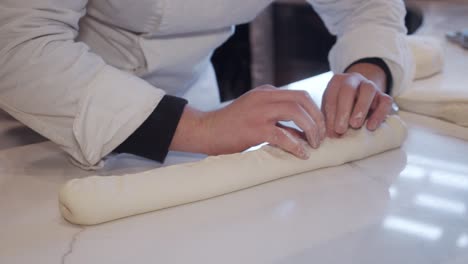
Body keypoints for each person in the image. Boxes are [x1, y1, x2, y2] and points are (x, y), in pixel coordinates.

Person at [0, 0, 413, 169]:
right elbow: (19, 43)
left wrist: (368, 69)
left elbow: (366, 7)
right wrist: (202, 128)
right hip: (42, 127)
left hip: (194, 110)